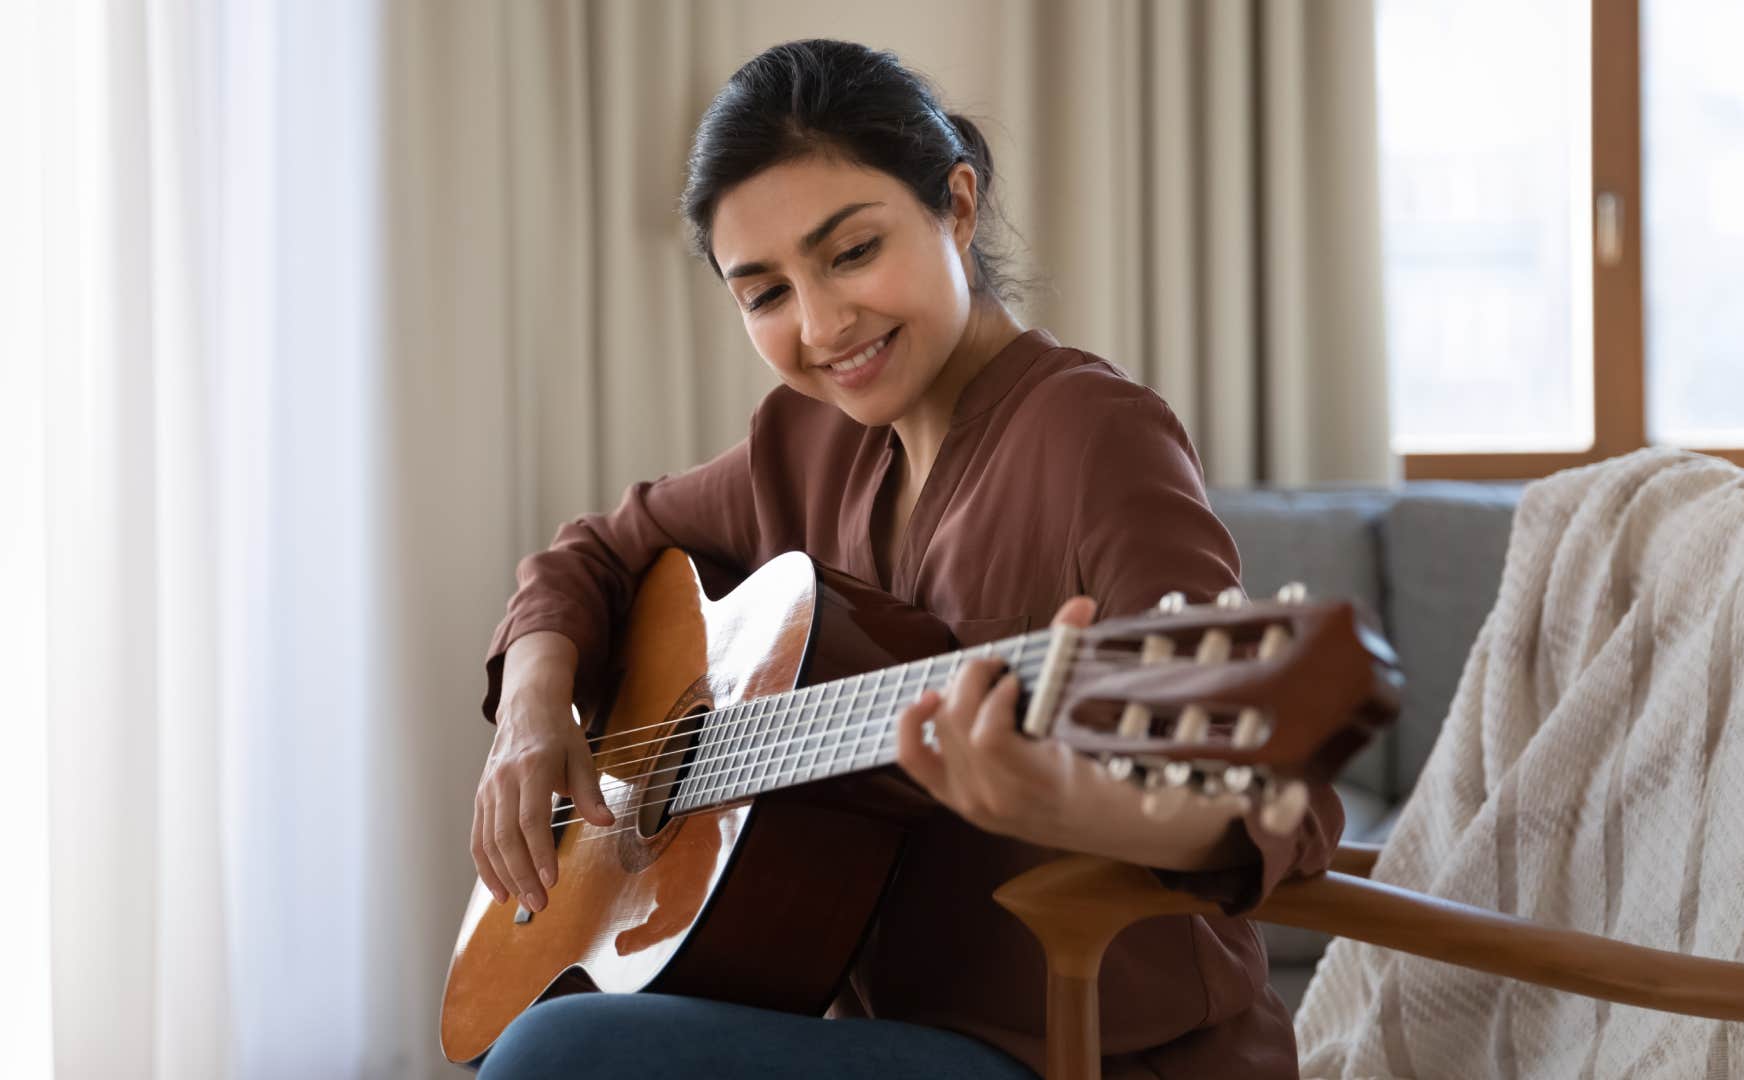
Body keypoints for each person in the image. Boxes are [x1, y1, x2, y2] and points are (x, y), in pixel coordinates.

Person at [470, 38, 1344, 1080]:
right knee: (523, 1029)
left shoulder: (1096, 434)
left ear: (958, 208)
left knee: (553, 1057)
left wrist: (1075, 807)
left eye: (850, 253)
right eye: (766, 294)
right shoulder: (802, 444)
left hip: (1097, 1057)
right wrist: (533, 711)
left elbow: (1270, 794)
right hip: (885, 1039)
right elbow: (595, 552)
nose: (822, 325)